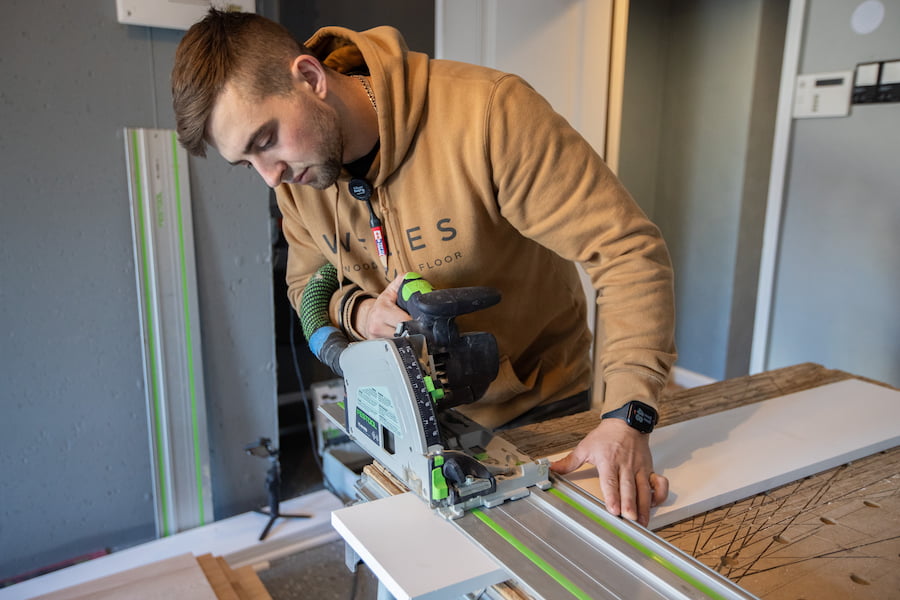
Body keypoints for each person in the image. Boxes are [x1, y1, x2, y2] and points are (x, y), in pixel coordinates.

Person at [172, 9, 677, 527]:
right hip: (415, 418)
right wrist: (360, 311)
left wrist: (626, 417)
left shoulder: (488, 115)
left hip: (540, 405)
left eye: (265, 140)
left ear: (310, 77)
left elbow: (626, 250)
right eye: (246, 163)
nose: (269, 176)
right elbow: (306, 283)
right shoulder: (296, 183)